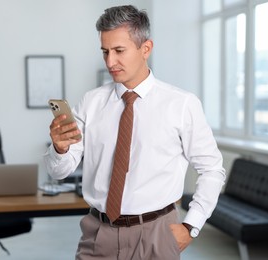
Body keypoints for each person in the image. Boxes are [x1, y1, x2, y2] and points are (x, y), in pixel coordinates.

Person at [44, 5, 225, 260]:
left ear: (145, 48)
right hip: (98, 234)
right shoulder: (90, 102)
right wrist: (60, 149)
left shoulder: (182, 104)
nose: (110, 62)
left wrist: (190, 226)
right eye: (105, 51)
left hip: (157, 234)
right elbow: (58, 171)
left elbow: (212, 169)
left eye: (119, 51)